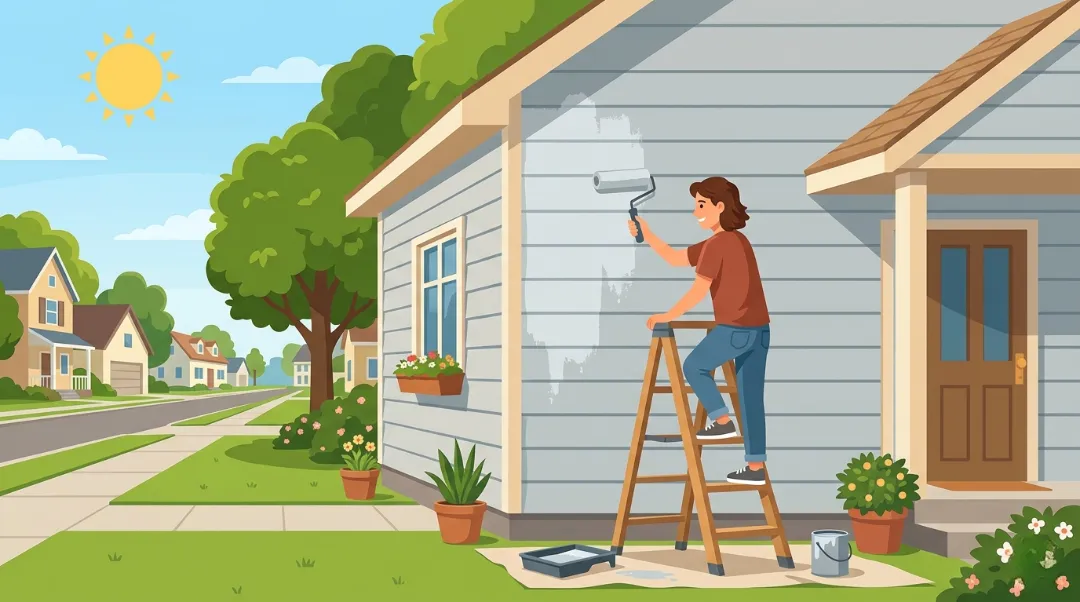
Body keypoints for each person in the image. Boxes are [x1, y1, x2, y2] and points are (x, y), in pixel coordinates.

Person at [629, 176, 771, 486]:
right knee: (750, 398)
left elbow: (697, 291)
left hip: (736, 328)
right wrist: (647, 233)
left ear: (720, 206)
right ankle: (755, 466)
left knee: (694, 366)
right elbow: (675, 258)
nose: (696, 212)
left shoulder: (718, 245)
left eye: (702, 205)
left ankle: (721, 420)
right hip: (760, 330)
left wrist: (667, 315)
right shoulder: (733, 241)